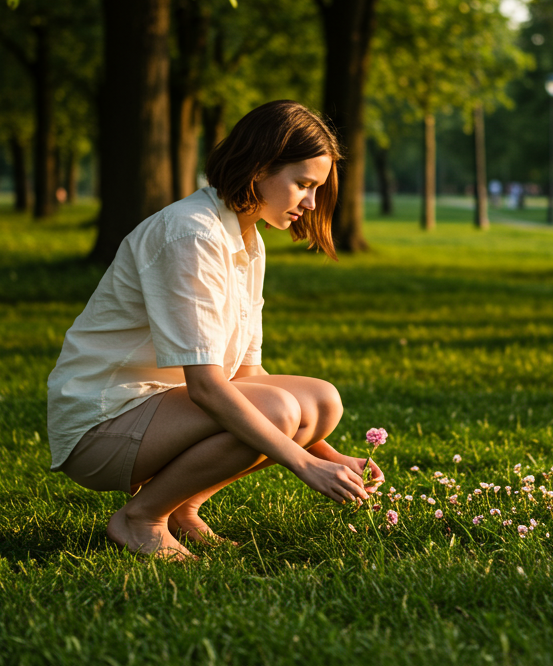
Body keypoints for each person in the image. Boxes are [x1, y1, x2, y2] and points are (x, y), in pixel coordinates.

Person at [45, 100, 383, 559]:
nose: (311, 203)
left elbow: (249, 374)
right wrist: (302, 463)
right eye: (303, 184)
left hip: (161, 413)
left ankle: (184, 508)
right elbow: (207, 387)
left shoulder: (247, 237)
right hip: (102, 424)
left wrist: (330, 456)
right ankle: (141, 517)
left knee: (321, 401)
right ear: (259, 168)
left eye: (318, 189)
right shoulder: (192, 234)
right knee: (280, 411)